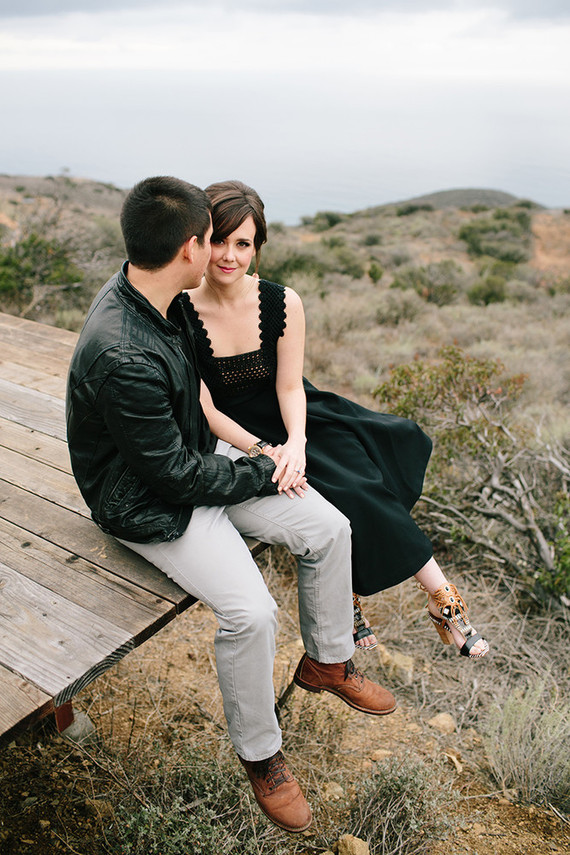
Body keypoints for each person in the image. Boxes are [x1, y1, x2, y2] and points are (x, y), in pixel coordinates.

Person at [66, 176, 399, 835]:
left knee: (330, 526)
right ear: (191, 247)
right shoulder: (124, 349)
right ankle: (262, 754)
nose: (223, 252)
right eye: (213, 239)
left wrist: (266, 456)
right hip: (146, 501)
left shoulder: (158, 293)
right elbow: (178, 479)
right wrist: (259, 470)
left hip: (192, 465)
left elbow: (200, 425)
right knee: (251, 613)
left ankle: (328, 659)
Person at [182, 179, 489, 660]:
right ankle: (345, 596)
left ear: (257, 248)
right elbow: (207, 408)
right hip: (237, 432)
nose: (228, 255)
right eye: (218, 240)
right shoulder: (180, 310)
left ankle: (442, 600)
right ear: (198, 240)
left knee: (363, 482)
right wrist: (263, 451)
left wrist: (298, 442)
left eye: (242, 243)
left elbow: (288, 385)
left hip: (300, 413)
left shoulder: (283, 301)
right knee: (321, 498)